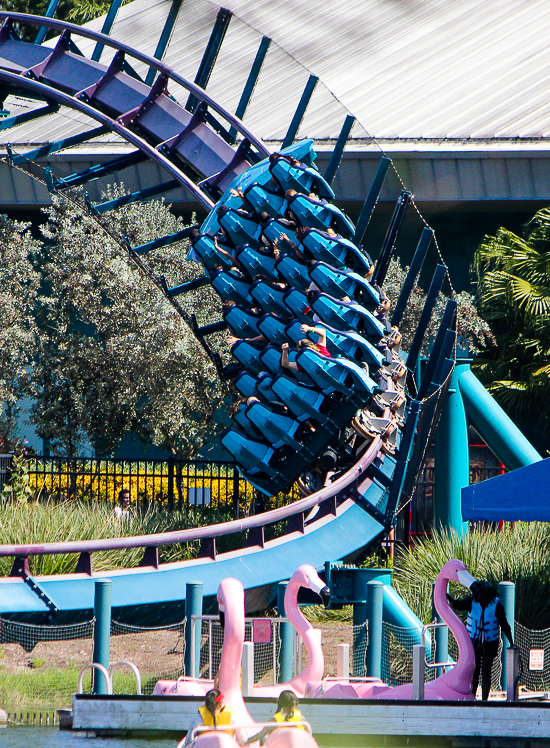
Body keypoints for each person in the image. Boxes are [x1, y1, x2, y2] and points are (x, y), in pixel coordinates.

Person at [448, 580, 514, 701]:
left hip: (490, 642)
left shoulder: (496, 606)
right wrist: (447, 597)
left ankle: (484, 700)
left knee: (486, 671)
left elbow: (504, 625)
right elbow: (457, 605)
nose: (480, 597)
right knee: (475, 670)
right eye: (478, 594)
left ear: (488, 595)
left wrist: (511, 642)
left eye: (482, 594)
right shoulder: (471, 602)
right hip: (475, 642)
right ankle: (472, 697)